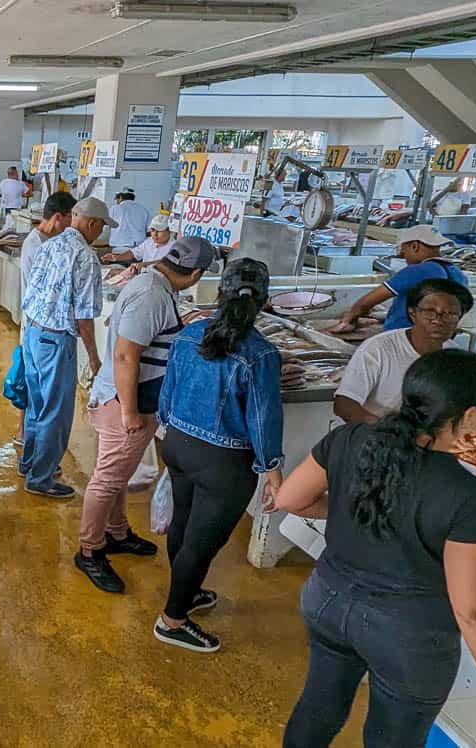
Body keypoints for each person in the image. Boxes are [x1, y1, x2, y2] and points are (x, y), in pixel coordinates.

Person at [272, 350, 476, 746]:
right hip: (408, 634)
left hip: (327, 599)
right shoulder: (466, 495)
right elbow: (474, 612)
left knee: (319, 706)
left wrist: (347, 507)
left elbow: (290, 499)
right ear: (469, 416)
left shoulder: (349, 438)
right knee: (391, 738)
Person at [154, 258, 284, 652]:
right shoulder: (261, 354)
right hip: (223, 462)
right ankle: (172, 621)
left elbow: (167, 393)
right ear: (263, 301)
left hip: (175, 445)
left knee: (183, 523)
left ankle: (187, 593)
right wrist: (271, 468)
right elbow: (263, 418)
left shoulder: (189, 335)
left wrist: (170, 427)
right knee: (202, 541)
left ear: (219, 293)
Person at [76, 236, 217, 593]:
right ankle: (89, 550)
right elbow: (126, 355)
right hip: (125, 404)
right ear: (196, 273)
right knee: (107, 479)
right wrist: (129, 413)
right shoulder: (151, 295)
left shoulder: (155, 284)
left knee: (118, 476)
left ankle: (116, 532)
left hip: (133, 401)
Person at [335, 279, 476, 430]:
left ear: (459, 318)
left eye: (449, 313)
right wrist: (397, 434)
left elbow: (461, 419)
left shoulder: (455, 358)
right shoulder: (380, 348)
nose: (438, 318)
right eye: (429, 311)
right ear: (413, 313)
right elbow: (345, 405)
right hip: (371, 442)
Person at [19, 197, 116, 498]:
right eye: (101, 226)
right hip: (56, 341)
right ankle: (41, 478)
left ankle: (31, 462)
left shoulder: (49, 244)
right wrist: (94, 358)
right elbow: (84, 318)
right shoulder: (85, 257)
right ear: (91, 223)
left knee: (38, 405)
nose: (100, 232)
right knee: (56, 413)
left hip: (33, 333)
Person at [14, 192, 77, 446]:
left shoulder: (42, 241)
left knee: (35, 384)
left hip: (34, 323)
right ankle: (28, 437)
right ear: (59, 217)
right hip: (39, 325)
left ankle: (26, 437)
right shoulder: (40, 246)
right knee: (38, 388)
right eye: (71, 217)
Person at [332, 225, 467, 332]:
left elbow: (366, 302)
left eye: (404, 251)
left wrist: (349, 319)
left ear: (415, 246)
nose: (404, 257)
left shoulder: (417, 270)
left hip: (402, 339)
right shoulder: (458, 274)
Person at [102, 215, 175, 267]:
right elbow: (133, 253)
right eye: (153, 230)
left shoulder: (175, 246)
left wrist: (145, 265)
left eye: (159, 231)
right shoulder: (149, 242)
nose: (155, 234)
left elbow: (166, 263)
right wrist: (117, 257)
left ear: (170, 231)